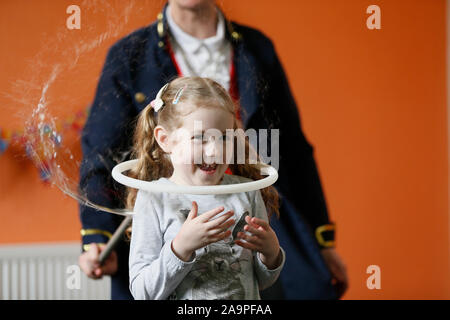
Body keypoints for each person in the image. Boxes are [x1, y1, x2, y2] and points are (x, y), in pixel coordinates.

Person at [78, 0, 348, 300]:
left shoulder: (257, 48)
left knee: (312, 288)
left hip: (252, 208)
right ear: (163, 139)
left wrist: (322, 242)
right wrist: (97, 234)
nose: (214, 150)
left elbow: (293, 149)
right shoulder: (130, 54)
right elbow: (99, 152)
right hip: (170, 215)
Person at [127, 76, 285, 299]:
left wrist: (271, 254)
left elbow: (263, 281)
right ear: (165, 140)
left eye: (223, 138)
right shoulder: (155, 199)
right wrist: (180, 248)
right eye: (200, 138)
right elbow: (143, 292)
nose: (215, 151)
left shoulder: (247, 192)